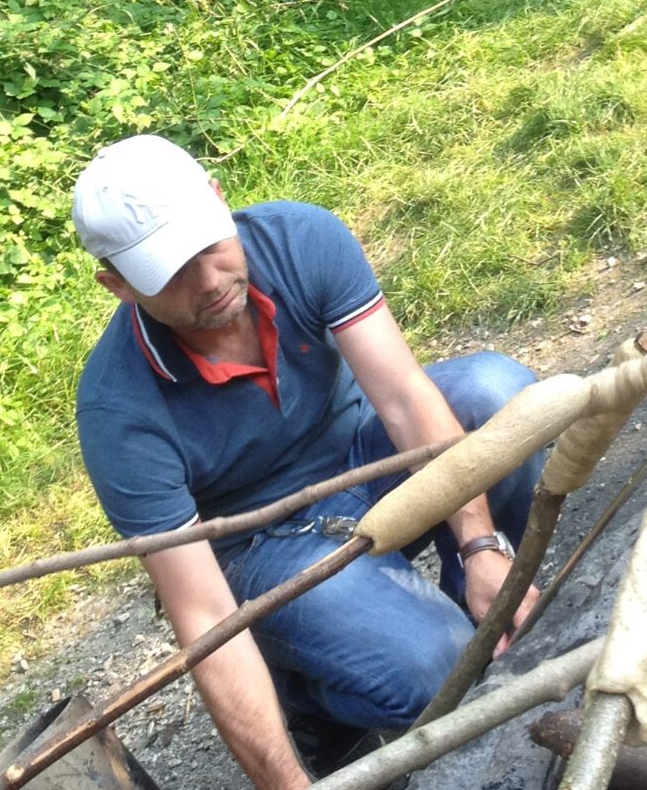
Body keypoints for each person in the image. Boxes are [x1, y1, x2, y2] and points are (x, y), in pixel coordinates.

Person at [72, 133, 542, 789]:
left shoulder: (300, 238)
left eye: (209, 247)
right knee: (435, 667)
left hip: (360, 453)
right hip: (266, 542)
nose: (208, 283)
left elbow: (405, 397)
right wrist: (285, 784)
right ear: (117, 284)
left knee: (502, 397)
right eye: (171, 273)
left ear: (218, 199)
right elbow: (205, 619)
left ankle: (488, 604)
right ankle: (314, 699)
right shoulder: (118, 413)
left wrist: (480, 543)